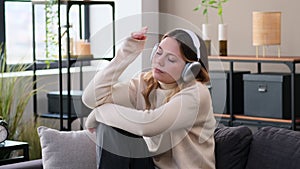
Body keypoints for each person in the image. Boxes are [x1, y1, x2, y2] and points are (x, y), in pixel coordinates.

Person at [82, 27, 216, 169]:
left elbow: (147, 124)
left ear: (191, 69)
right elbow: (91, 98)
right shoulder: (146, 83)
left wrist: (98, 113)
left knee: (107, 121)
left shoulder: (196, 93)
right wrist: (126, 53)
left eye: (171, 59)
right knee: (109, 128)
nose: (159, 61)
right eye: (158, 53)